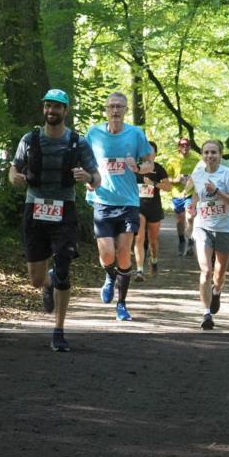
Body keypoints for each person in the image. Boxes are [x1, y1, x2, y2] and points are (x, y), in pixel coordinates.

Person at [10, 89, 101, 352]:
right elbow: (14, 168)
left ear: (65, 111)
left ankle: (58, 330)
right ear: (43, 109)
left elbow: (97, 179)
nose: (52, 111)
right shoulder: (30, 139)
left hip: (65, 210)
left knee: (63, 268)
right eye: (48, 106)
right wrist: (14, 177)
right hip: (34, 208)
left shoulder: (78, 142)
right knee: (36, 280)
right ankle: (47, 282)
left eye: (57, 107)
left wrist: (88, 178)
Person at [84, 92, 154, 322]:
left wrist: (139, 168)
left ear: (125, 110)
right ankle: (109, 276)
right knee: (107, 254)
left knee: (124, 253)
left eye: (119, 107)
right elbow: (82, 159)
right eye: (111, 106)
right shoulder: (94, 133)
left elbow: (149, 162)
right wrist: (86, 176)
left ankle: (122, 304)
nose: (115, 110)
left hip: (128, 202)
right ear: (106, 109)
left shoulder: (136, 134)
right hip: (102, 200)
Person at [183, 140, 229, 330]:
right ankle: (206, 313)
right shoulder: (198, 174)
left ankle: (217, 291)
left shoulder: (228, 174)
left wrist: (217, 192)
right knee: (206, 271)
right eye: (206, 152)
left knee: (219, 274)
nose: (210, 156)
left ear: (220, 154)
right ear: (202, 154)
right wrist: (192, 207)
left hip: (224, 228)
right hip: (203, 227)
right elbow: (197, 194)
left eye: (213, 152)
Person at [133, 141, 172, 281]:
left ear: (155, 154)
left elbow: (168, 187)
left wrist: (153, 184)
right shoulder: (135, 169)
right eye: (145, 151)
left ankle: (154, 260)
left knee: (153, 241)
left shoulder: (159, 169)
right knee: (138, 237)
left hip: (154, 208)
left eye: (151, 151)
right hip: (138, 207)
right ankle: (139, 270)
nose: (148, 154)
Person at [166, 137, 202, 256]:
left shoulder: (196, 159)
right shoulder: (172, 161)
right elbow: (166, 179)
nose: (185, 147)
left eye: (187, 145)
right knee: (180, 220)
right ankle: (181, 240)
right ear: (179, 147)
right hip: (177, 194)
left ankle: (191, 241)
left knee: (190, 217)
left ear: (190, 146)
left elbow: (201, 175)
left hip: (191, 193)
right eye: (182, 145)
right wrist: (176, 180)